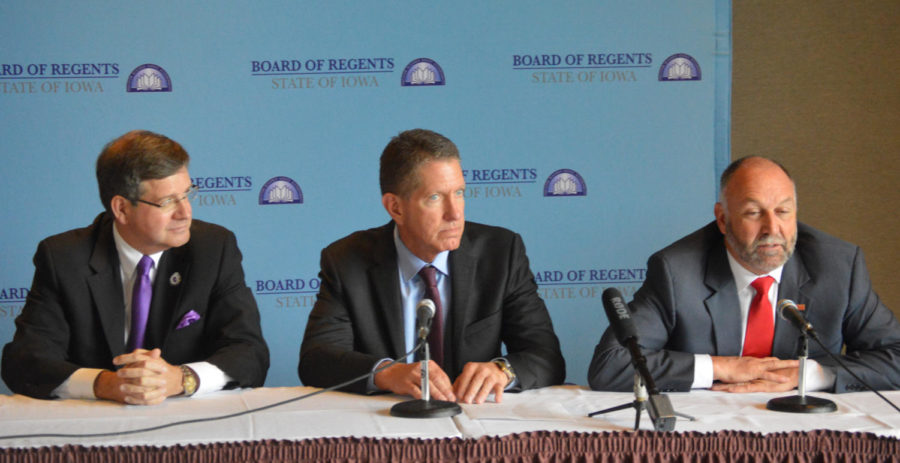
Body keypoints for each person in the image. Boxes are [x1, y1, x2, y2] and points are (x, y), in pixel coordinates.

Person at [589, 156, 900, 393]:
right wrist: (721, 367)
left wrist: (813, 374)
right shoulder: (677, 271)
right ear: (723, 220)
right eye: (754, 213)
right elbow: (611, 365)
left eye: (783, 211)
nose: (772, 229)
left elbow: (895, 356)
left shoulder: (838, 267)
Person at [298, 128, 565, 404]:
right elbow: (317, 360)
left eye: (459, 193)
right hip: (389, 424)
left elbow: (546, 356)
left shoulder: (501, 253)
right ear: (395, 208)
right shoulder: (347, 261)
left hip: (476, 424)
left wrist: (502, 371)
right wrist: (387, 373)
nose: (455, 213)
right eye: (435, 198)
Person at [2, 130, 269, 405]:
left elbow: (249, 353)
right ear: (121, 209)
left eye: (187, 194)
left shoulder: (213, 248)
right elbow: (25, 362)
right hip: (92, 430)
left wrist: (180, 379)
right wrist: (105, 384)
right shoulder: (64, 258)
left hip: (188, 427)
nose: (185, 212)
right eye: (167, 202)